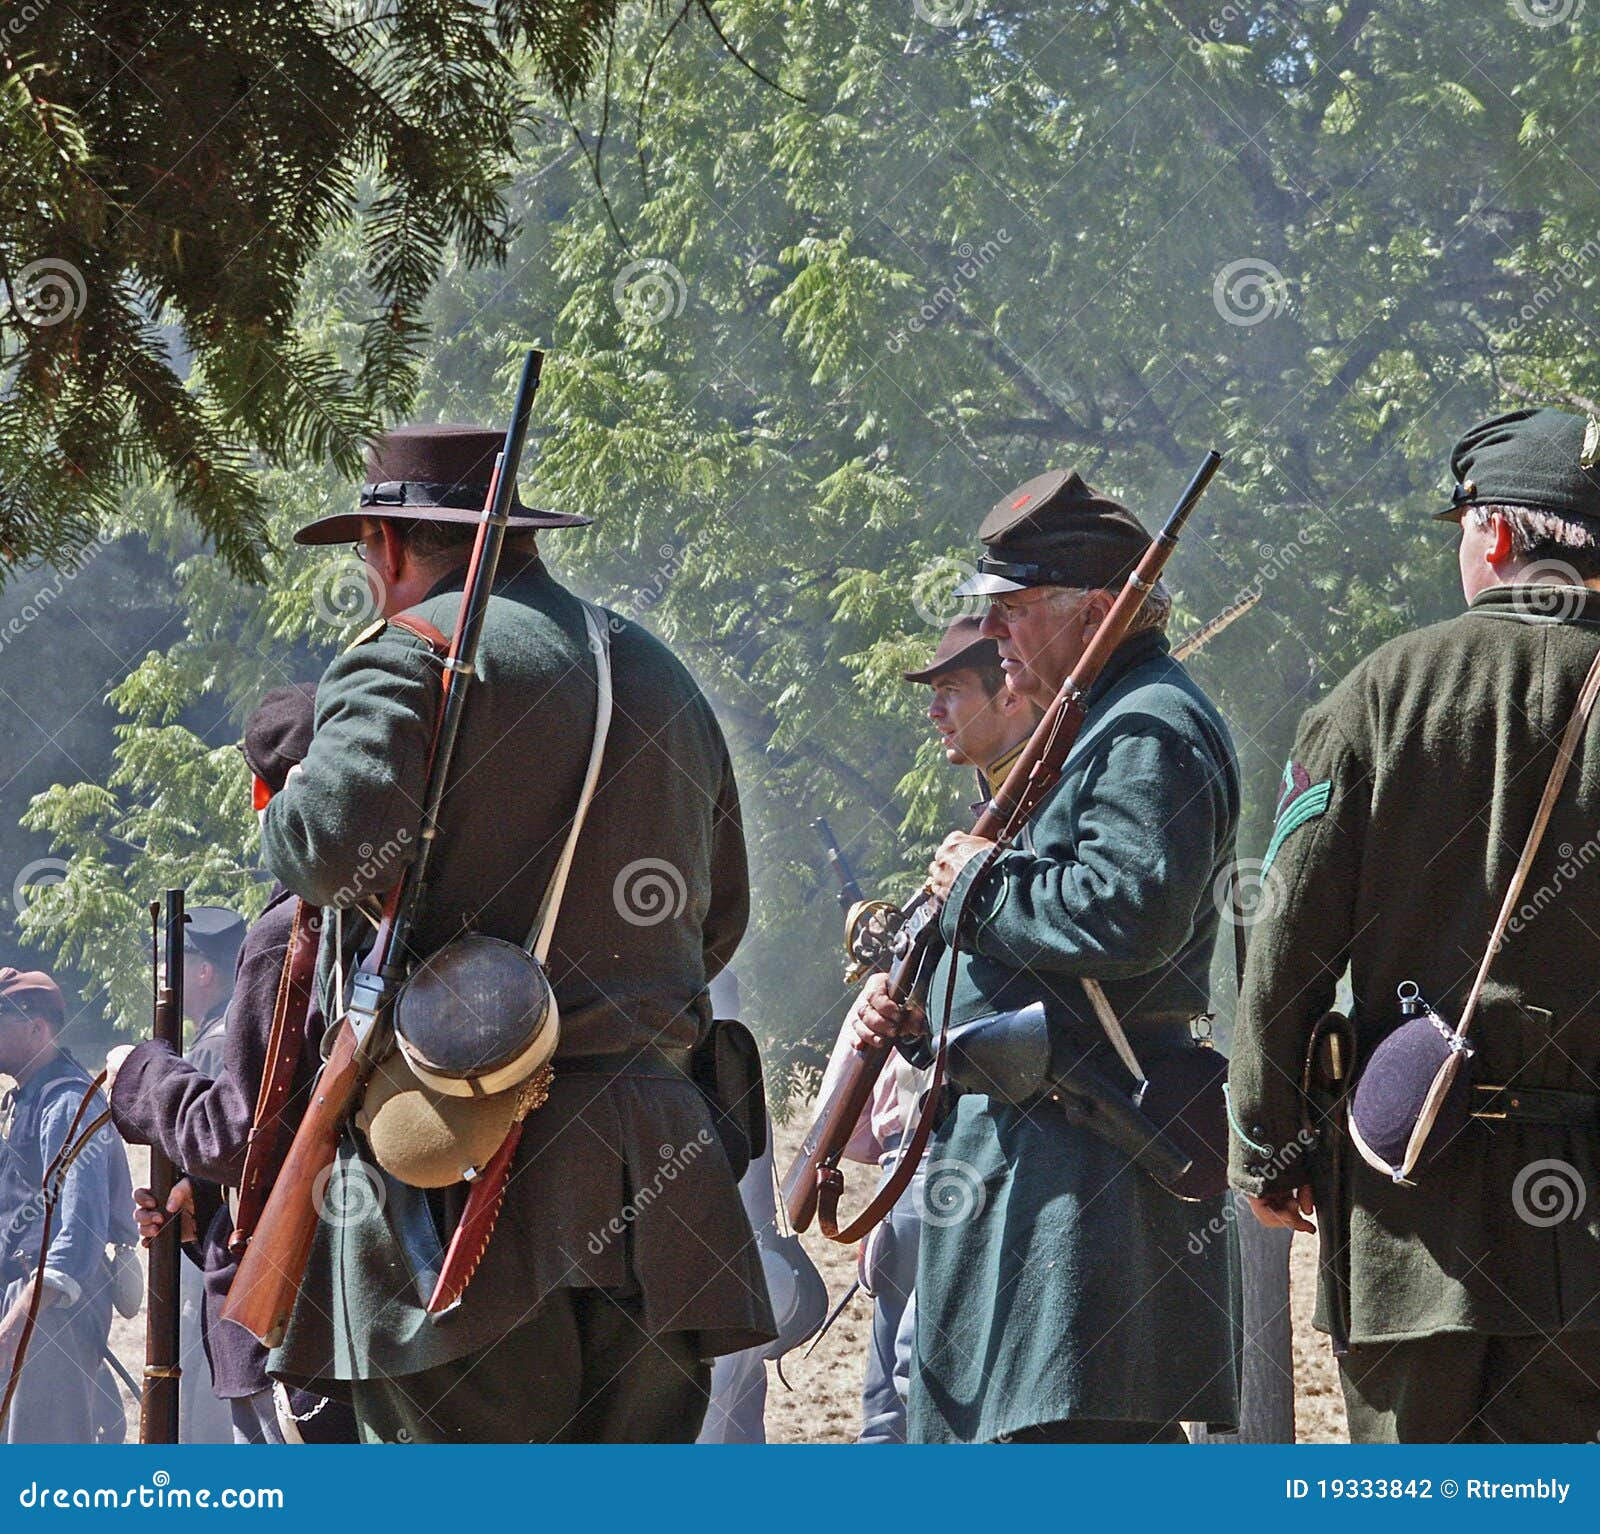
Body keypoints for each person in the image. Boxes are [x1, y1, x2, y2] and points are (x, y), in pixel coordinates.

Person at [258, 423, 774, 1442]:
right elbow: (717, 920)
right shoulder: (657, 669)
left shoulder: (408, 656)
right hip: (657, 1170)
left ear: (390, 547)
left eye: (369, 554)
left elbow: (322, 846)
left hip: (461, 1160)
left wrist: (279, 802)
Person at [1228, 406, 1600, 1444]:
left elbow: (1285, 947)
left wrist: (1268, 1143)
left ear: (1491, 535)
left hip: (1407, 1218)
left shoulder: (1379, 694)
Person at [849, 468, 1243, 1443]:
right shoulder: (1099, 727)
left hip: (1079, 1186)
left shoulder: (1148, 730)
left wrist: (978, 883)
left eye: (1017, 611)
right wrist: (924, 1012)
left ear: (1099, 611)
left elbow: (1124, 916)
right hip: (1034, 1180)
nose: (998, 637)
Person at [107, 684, 354, 1444]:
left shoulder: (295, 928)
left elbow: (234, 1133)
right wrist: (198, 1201)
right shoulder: (393, 908)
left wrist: (140, 1076)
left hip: (294, 1320)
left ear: (261, 792)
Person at [816, 616, 1038, 1443]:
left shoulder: (1032, 822)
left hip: (992, 1159)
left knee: (924, 1399)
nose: (935, 711)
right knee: (893, 1408)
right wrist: (904, 1014)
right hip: (929, 1156)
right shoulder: (986, 818)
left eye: (952, 691)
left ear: (1008, 695)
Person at [0, 968, 135, 1443]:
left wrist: (16, 1327)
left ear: (36, 1028)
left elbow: (78, 1230)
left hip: (49, 1313)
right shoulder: (23, 1098)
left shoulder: (69, 1102)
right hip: (26, 1303)